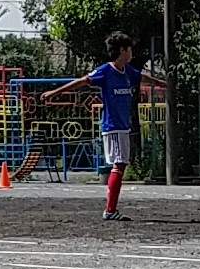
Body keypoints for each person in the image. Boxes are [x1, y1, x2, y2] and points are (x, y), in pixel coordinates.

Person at [46, 31, 154, 222]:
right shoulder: (105, 70)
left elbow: (142, 78)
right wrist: (55, 92)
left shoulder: (127, 70)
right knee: (119, 165)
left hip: (123, 126)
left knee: (120, 164)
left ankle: (111, 209)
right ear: (122, 50)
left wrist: (164, 83)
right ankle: (110, 209)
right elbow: (82, 81)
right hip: (113, 126)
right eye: (129, 49)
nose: (132, 52)